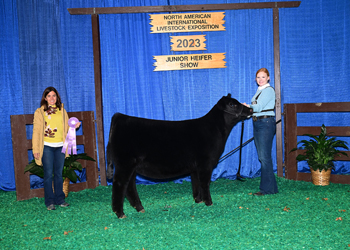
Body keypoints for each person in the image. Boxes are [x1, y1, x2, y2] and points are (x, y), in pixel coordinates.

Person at [32, 87, 80, 210]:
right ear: (45, 98)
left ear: (57, 97)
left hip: (60, 147)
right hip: (47, 146)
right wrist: (35, 149)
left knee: (59, 174)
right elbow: (36, 132)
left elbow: (66, 129)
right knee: (48, 174)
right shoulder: (40, 112)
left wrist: (74, 127)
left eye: (54, 95)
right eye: (49, 96)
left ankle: (60, 199)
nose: (52, 98)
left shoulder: (62, 111)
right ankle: (49, 202)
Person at [243, 68, 278, 196]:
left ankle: (267, 190)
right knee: (263, 157)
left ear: (268, 78)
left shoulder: (268, 90)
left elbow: (258, 107)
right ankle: (272, 188)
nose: (260, 80)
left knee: (264, 157)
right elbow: (256, 110)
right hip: (258, 122)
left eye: (263, 77)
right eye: (258, 77)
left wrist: (247, 107)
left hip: (265, 123)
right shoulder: (259, 91)